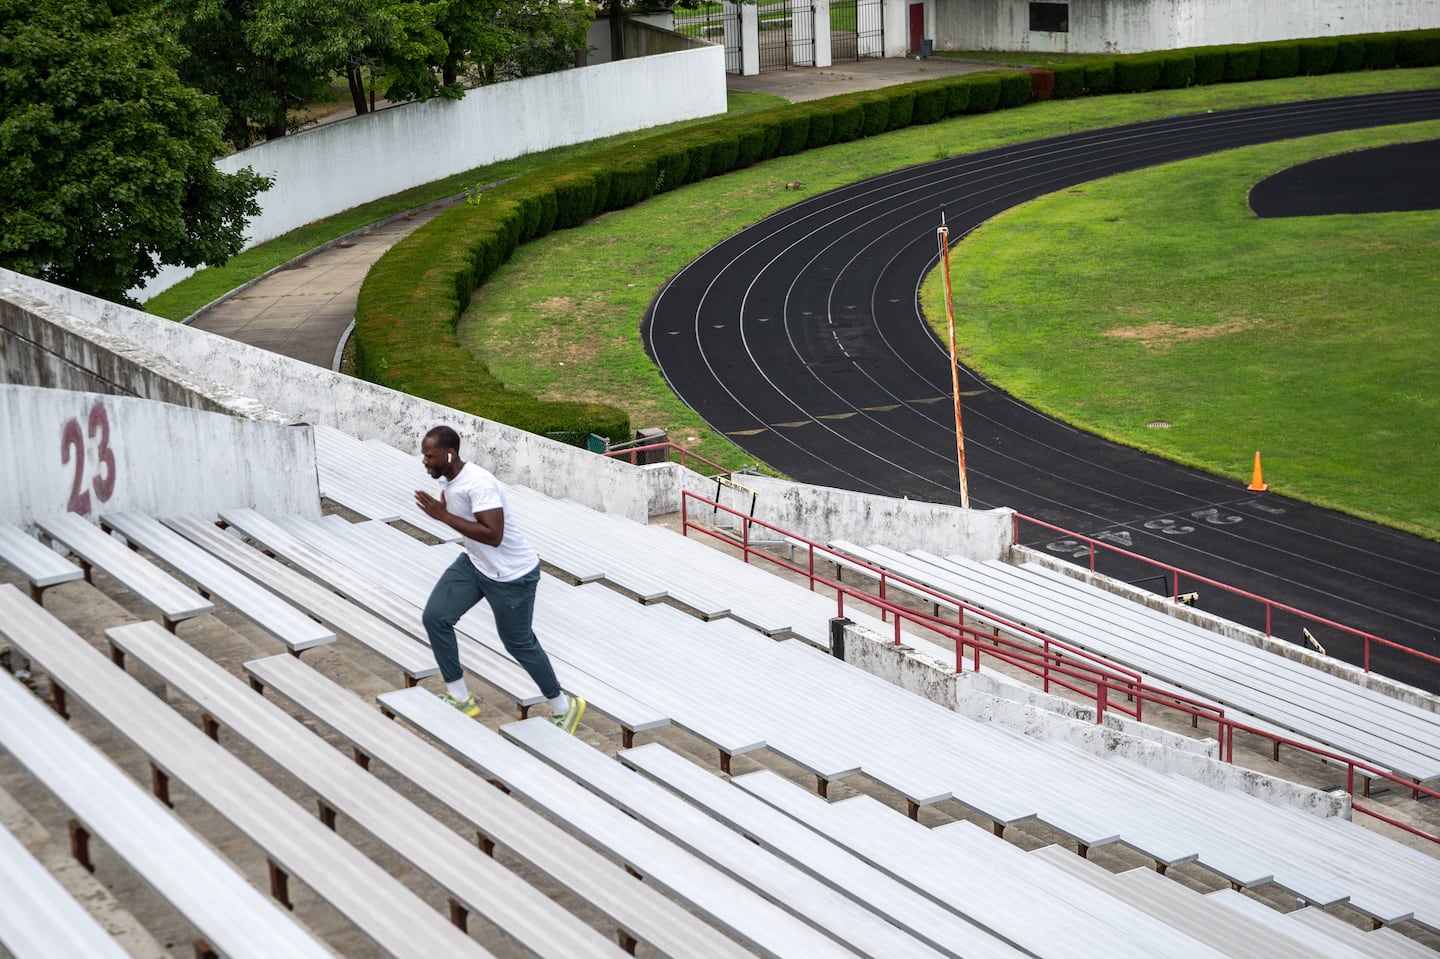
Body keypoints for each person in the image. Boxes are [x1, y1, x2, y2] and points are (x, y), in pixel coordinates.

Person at [413, 424, 585, 733]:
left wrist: (444, 516)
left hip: (512, 576)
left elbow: (494, 535)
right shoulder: (452, 482)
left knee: (518, 643)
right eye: (424, 455)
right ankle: (461, 698)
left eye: (429, 456)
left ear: (449, 454)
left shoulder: (478, 484)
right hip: (476, 564)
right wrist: (446, 511)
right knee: (435, 617)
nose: (425, 461)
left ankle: (564, 705)